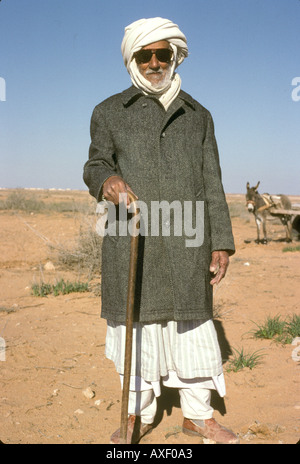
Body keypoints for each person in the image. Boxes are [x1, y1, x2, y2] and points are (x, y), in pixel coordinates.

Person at [83, 17, 239, 444]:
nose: (154, 62)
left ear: (175, 56)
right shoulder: (109, 111)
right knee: (136, 330)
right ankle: (135, 415)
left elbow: (213, 182)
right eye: (145, 54)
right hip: (130, 238)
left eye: (162, 53)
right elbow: (96, 163)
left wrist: (221, 242)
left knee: (194, 330)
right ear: (132, 59)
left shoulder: (198, 115)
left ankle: (198, 415)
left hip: (189, 240)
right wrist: (107, 182)